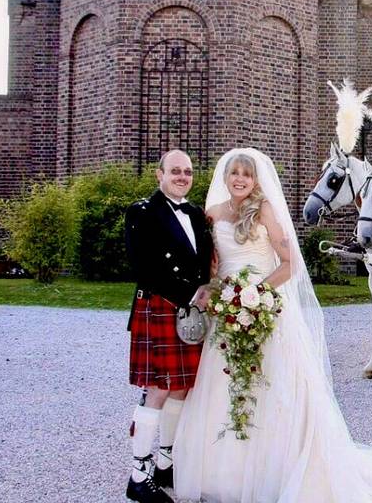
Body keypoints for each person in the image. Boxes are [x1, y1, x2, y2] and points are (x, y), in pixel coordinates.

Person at [173, 148, 372, 503]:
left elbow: (289, 264)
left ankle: (274, 469)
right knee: (223, 386)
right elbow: (212, 266)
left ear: (256, 180)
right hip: (227, 312)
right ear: (225, 178)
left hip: (266, 309)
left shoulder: (266, 210)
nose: (240, 179)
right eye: (234, 173)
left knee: (270, 385)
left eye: (247, 174)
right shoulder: (211, 214)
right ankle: (224, 472)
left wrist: (256, 295)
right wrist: (215, 293)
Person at [124, 149, 214, 503]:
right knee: (158, 389)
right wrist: (192, 294)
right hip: (161, 306)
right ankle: (138, 474)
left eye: (187, 171)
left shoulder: (195, 213)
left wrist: (207, 287)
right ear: (159, 175)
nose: (182, 176)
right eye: (175, 171)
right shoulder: (142, 212)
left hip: (189, 314)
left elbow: (205, 261)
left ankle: (165, 462)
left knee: (181, 389)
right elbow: (143, 266)